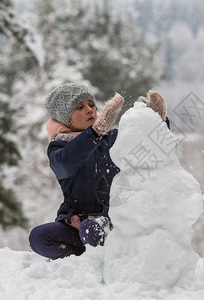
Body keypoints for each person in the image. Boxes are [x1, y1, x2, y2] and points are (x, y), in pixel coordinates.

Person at [29, 83, 167, 260]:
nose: (89, 110)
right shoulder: (59, 149)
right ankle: (78, 261)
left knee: (91, 228)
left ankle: (109, 259)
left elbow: (149, 147)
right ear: (65, 118)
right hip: (76, 227)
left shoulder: (112, 140)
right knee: (39, 237)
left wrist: (156, 121)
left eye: (92, 105)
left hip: (113, 224)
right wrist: (95, 133)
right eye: (80, 107)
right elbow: (67, 163)